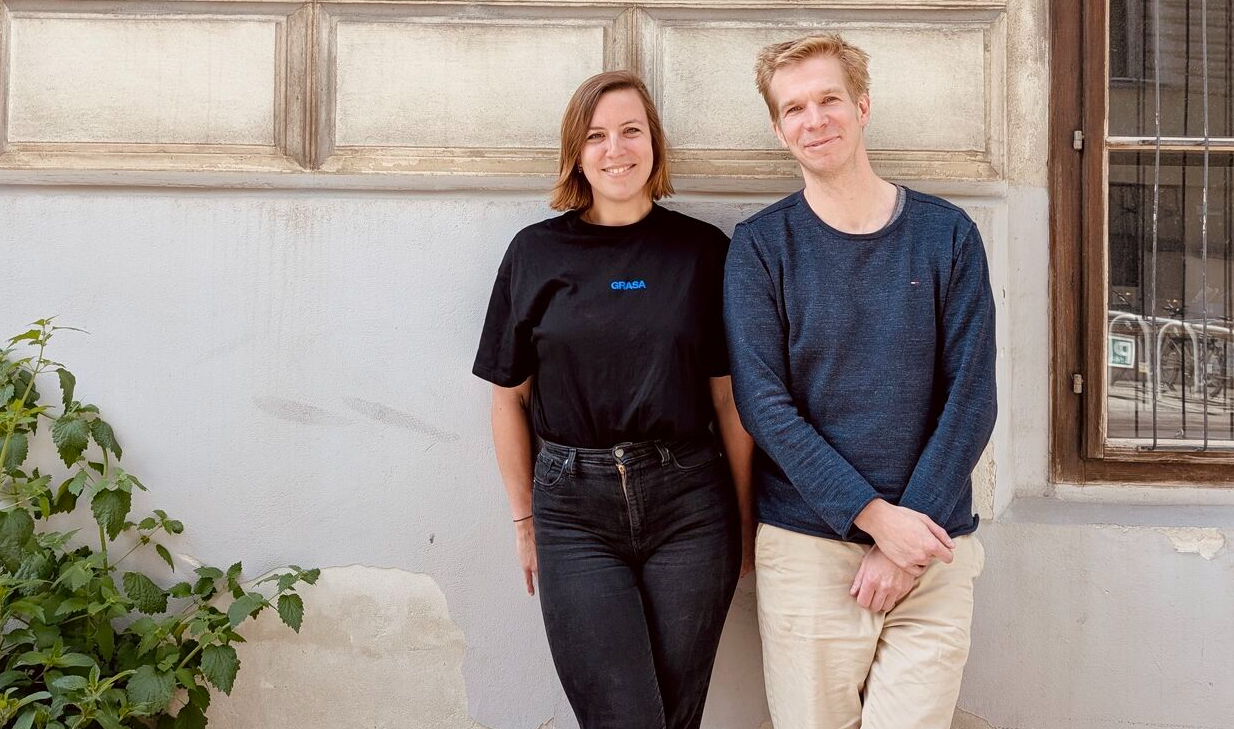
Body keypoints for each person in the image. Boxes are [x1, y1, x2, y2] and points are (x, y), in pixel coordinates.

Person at [723, 34, 997, 729]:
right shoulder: (761, 246)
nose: (814, 120)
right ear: (778, 129)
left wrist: (906, 540)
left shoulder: (947, 235)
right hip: (808, 548)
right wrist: (874, 519)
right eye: (794, 109)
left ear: (863, 106)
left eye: (829, 100)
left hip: (933, 546)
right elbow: (763, 405)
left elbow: (971, 397)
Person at [472, 70, 755, 729]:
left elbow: (729, 402)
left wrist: (746, 521)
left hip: (692, 506)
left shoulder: (703, 252)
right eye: (596, 135)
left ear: (654, 143)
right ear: (576, 152)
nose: (616, 149)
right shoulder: (535, 253)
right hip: (573, 511)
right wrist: (524, 520)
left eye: (631, 131)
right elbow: (508, 399)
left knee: (674, 716)